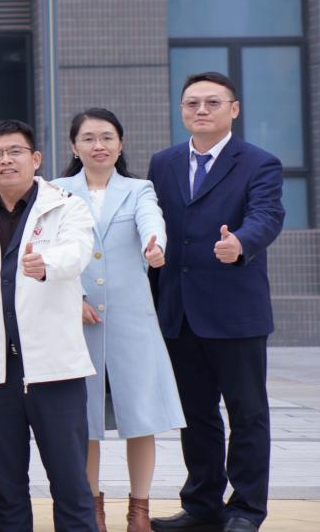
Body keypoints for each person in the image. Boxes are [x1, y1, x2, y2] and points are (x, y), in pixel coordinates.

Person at [148, 72, 284, 532]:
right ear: (181, 110)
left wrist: (241, 242)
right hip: (179, 311)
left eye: (212, 102)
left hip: (235, 311)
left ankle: (246, 509)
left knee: (248, 414)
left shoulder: (259, 162)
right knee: (195, 416)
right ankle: (202, 506)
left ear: (234, 109)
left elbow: (267, 214)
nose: (201, 110)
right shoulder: (163, 163)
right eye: (192, 103)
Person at [0, 119, 98, 532]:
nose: (6, 160)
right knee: (3, 487)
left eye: (15, 152)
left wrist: (46, 263)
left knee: (70, 482)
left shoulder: (67, 207)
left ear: (35, 159)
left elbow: (78, 252)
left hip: (55, 369)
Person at [54, 108, 183, 532]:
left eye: (107, 137)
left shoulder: (139, 189)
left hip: (132, 322)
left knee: (141, 416)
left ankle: (139, 510)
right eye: (89, 138)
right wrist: (73, 297)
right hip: (79, 321)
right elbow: (52, 249)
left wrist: (154, 245)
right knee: (85, 420)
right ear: (74, 147)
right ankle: (91, 508)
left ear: (121, 143)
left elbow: (151, 221)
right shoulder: (56, 191)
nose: (99, 146)